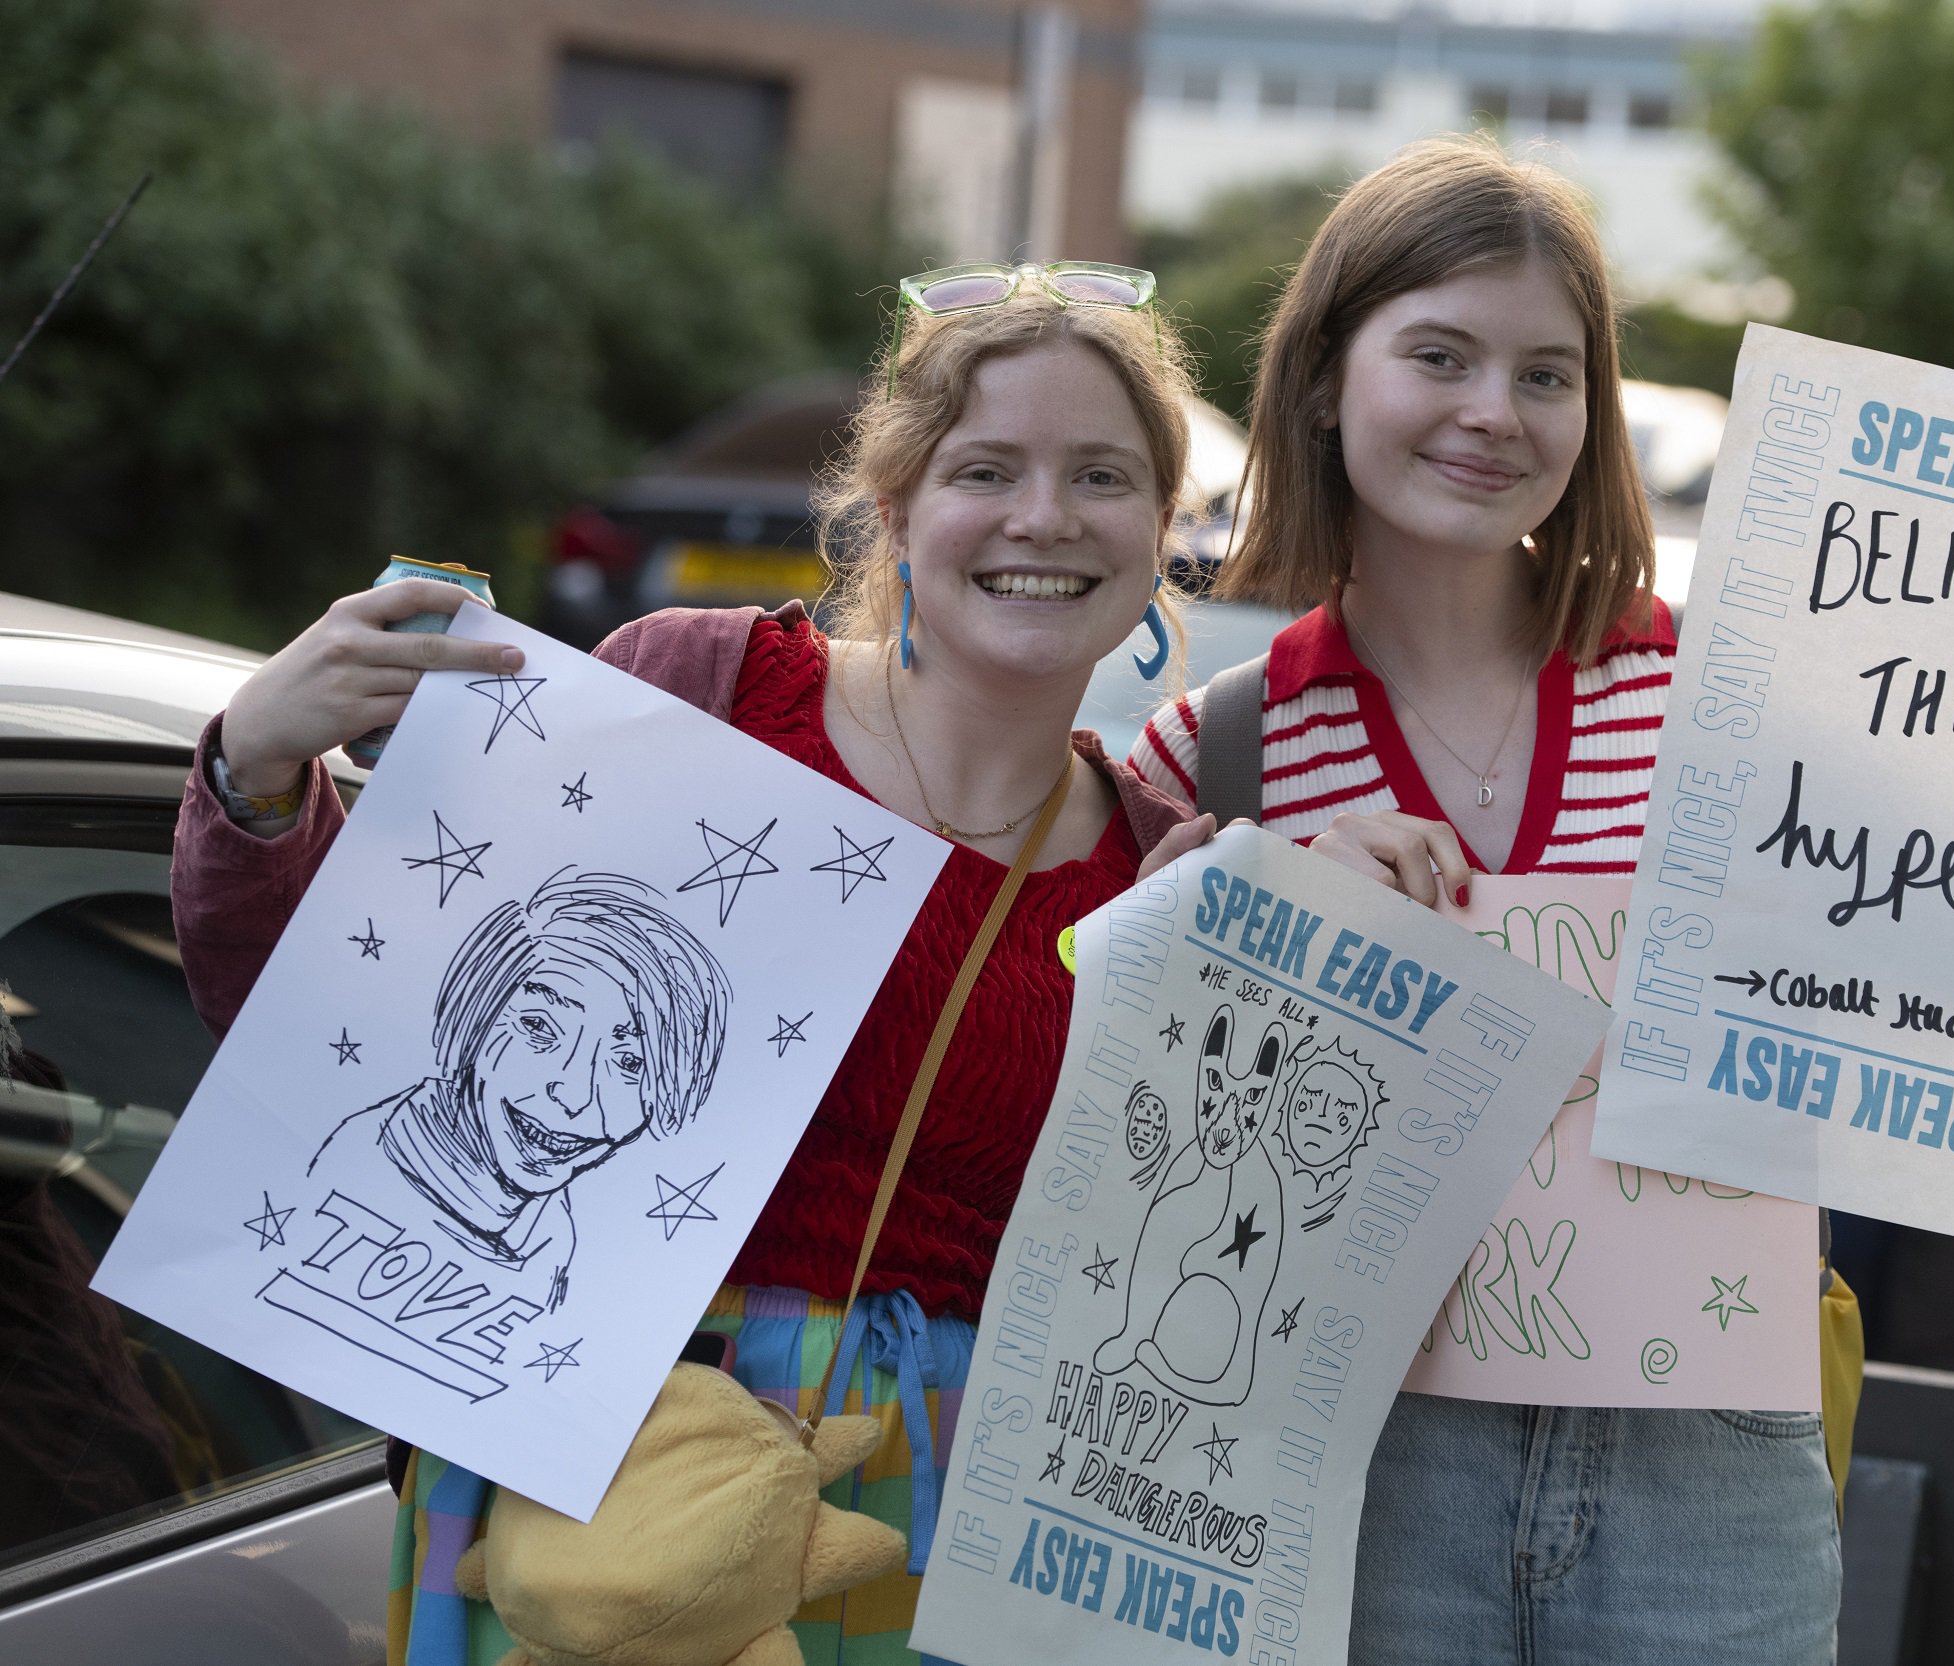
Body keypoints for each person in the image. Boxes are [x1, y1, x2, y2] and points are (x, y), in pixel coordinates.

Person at [1130, 136, 1954, 1662]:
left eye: (1548, 374)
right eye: (1437, 353)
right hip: (1351, 1462)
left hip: (1712, 1453)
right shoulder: (1208, 755)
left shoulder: (1741, 690)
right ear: (1322, 378)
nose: (1494, 411)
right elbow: (1130, 1146)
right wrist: (1207, 925)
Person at [172, 266, 1210, 1665]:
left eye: (1102, 474)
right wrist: (257, 763)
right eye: (986, 467)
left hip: (957, 1551)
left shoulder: (1169, 868)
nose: (1044, 516)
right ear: (896, 511)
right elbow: (343, 1029)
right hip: (602, 1507)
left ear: (1160, 536)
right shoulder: (700, 691)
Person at [300, 869, 731, 1318]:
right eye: (539, 1027)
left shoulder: (555, 1238)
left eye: (631, 1062)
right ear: (476, 1015)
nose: (573, 1094)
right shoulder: (350, 1173)